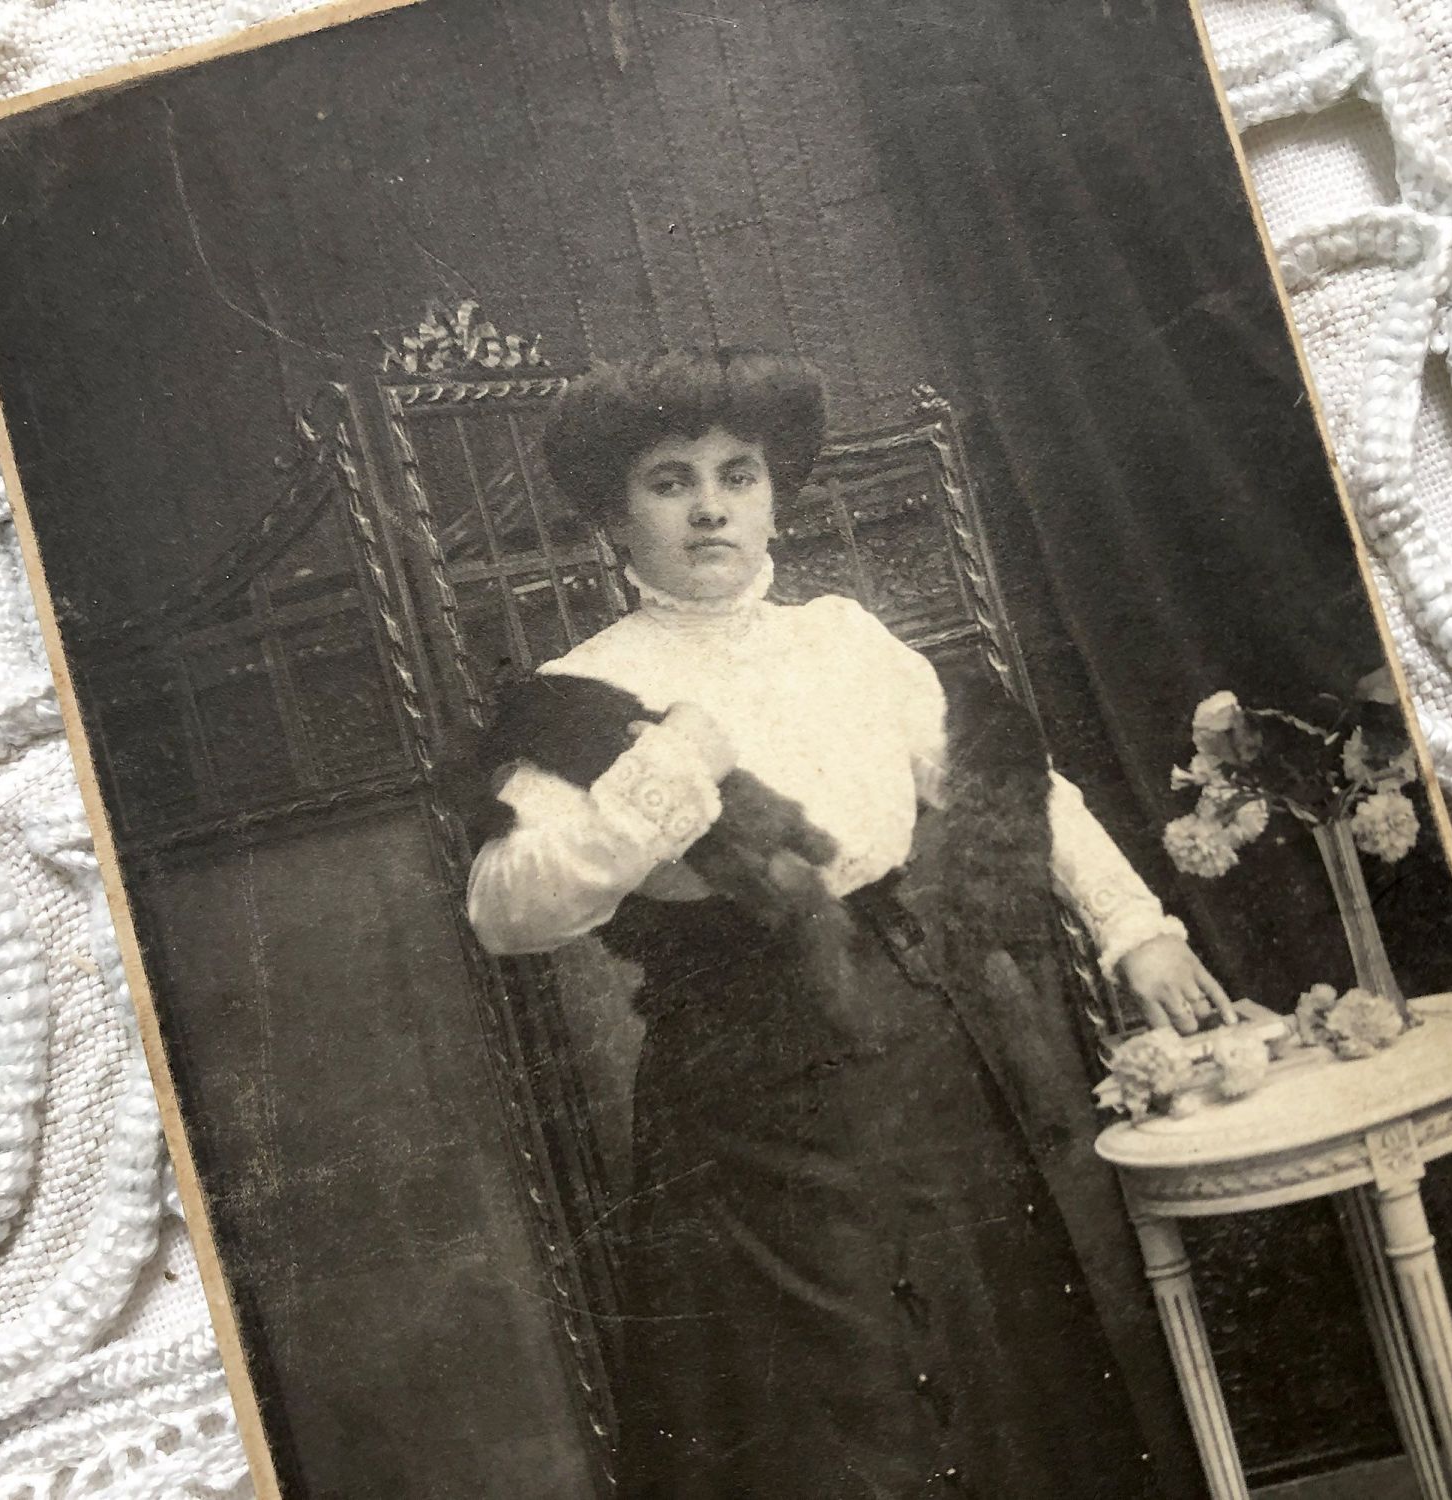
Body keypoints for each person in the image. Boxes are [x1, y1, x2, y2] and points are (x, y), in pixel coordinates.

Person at [465, 348, 1228, 1498]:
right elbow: (504, 911)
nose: (711, 504)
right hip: (742, 1095)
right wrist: (666, 770)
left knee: (998, 1367)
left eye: (739, 473)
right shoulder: (579, 689)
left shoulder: (843, 636)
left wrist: (1137, 928)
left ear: (777, 493)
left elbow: (1012, 790)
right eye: (670, 480)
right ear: (612, 514)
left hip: (918, 1048)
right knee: (838, 1412)